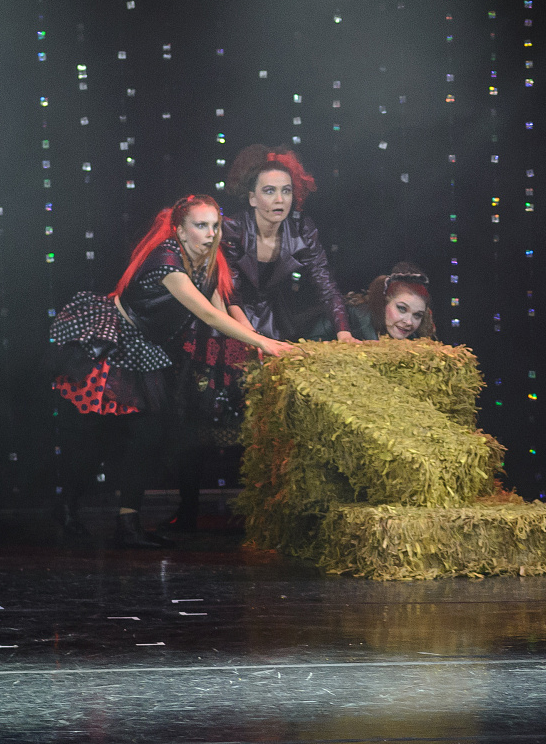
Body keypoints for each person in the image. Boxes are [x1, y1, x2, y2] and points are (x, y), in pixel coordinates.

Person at [48, 195, 295, 548]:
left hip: (146, 348)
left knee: (148, 435)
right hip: (115, 342)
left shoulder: (208, 261)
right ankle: (68, 507)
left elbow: (222, 308)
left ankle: (127, 522)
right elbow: (207, 315)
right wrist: (265, 343)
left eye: (215, 226)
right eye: (201, 226)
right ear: (179, 230)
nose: (211, 233)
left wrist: (256, 341)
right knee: (100, 437)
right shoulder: (167, 263)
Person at [221, 144, 353, 343]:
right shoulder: (232, 230)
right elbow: (231, 295)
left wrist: (344, 332)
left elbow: (325, 284)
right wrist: (252, 338)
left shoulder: (302, 230)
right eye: (269, 191)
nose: (280, 199)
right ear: (252, 198)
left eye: (286, 191)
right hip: (230, 321)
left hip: (277, 321)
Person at [346, 263, 436, 341]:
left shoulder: (415, 340)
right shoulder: (355, 321)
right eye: (402, 309)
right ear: (384, 303)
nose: (409, 322)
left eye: (417, 315)